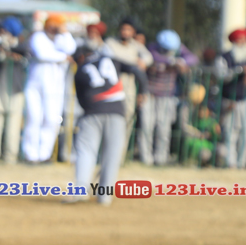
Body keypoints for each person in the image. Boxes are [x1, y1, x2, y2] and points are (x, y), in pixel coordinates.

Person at [70, 46, 147, 205]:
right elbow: (138, 71)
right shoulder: (112, 61)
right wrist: (143, 92)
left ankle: (81, 190)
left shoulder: (80, 70)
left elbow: (81, 100)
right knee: (112, 155)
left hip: (91, 113)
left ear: (81, 58)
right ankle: (104, 197)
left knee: (86, 151)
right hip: (116, 112)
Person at [21, 14, 76, 164]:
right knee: (34, 118)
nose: (54, 28)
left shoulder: (61, 39)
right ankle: (31, 155)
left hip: (55, 87)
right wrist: (63, 57)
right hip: (35, 85)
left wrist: (65, 32)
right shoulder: (38, 37)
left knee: (52, 119)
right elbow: (42, 54)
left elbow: (71, 48)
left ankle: (44, 154)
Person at [141, 29, 197, 166]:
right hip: (149, 95)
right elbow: (154, 57)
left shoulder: (178, 49)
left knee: (164, 128)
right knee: (147, 126)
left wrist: (182, 62)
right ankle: (146, 158)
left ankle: (161, 157)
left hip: (167, 96)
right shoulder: (152, 48)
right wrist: (171, 61)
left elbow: (193, 58)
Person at [0, 16, 28, 164]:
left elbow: (23, 54)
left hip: (15, 89)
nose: (3, 33)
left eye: (5, 30)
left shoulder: (22, 45)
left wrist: (8, 50)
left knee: (13, 124)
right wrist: (5, 50)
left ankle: (10, 156)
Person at [104, 17, 152, 134]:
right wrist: (133, 62)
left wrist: (143, 62)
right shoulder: (111, 42)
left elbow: (148, 57)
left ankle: (122, 146)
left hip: (129, 86)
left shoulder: (136, 45)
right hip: (112, 85)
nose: (125, 32)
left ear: (133, 32)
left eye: (128, 30)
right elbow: (114, 58)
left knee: (128, 115)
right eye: (123, 29)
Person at [214, 27, 246, 168]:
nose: (241, 42)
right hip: (229, 99)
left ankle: (242, 162)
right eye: (238, 40)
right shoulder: (224, 57)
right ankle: (231, 163)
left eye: (243, 39)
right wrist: (238, 71)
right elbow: (221, 75)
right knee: (230, 131)